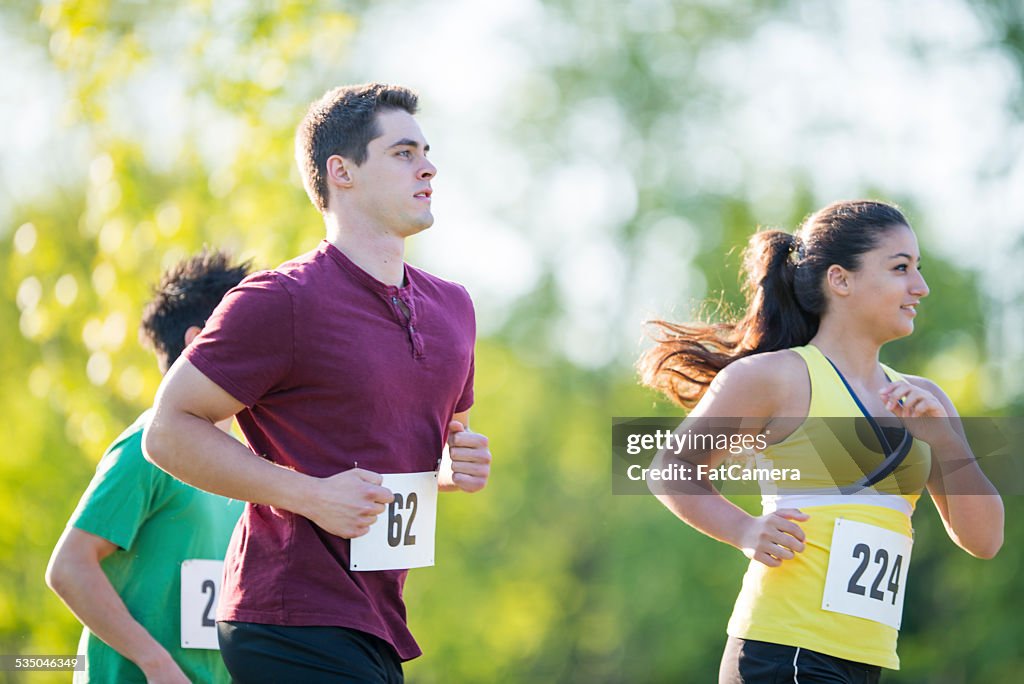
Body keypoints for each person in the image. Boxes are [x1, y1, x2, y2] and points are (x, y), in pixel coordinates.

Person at [143, 83, 492, 683]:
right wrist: (311, 495)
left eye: (426, 151)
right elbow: (167, 432)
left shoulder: (454, 309)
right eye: (403, 152)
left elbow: (419, 453)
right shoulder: (281, 301)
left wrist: (454, 468)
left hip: (379, 619)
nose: (428, 166)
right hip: (284, 614)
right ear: (342, 172)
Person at [639, 200, 1003, 683]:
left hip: (865, 660)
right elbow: (670, 469)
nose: (921, 287)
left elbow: (984, 540)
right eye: (901, 269)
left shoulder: (924, 399)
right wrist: (745, 530)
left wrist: (947, 442)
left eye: (919, 269)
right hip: (784, 650)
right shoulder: (777, 377)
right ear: (841, 279)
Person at [46, 249, 251, 683]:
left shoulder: (249, 465)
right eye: (250, 331)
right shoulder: (148, 448)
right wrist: (155, 664)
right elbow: (69, 566)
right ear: (198, 342)